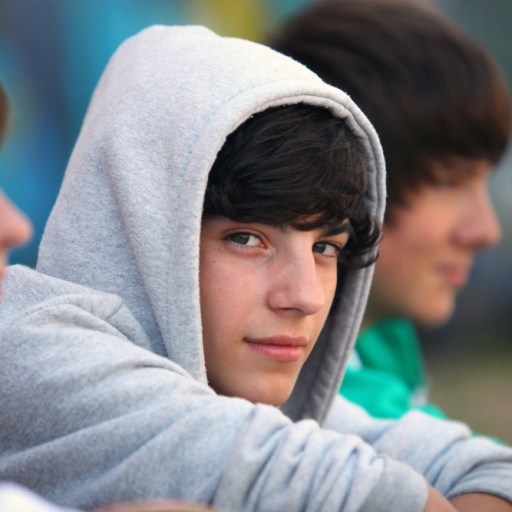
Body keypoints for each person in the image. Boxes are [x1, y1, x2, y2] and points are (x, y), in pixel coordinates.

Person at [0, 25, 511, 512]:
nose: (306, 296)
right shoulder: (28, 348)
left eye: (326, 248)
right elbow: (372, 496)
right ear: (142, 227)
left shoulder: (255, 392)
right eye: (247, 239)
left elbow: (491, 473)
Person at [269, 0, 512, 420]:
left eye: (483, 182)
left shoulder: (385, 334)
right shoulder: (293, 392)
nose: (486, 230)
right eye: (449, 182)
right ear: (345, 180)